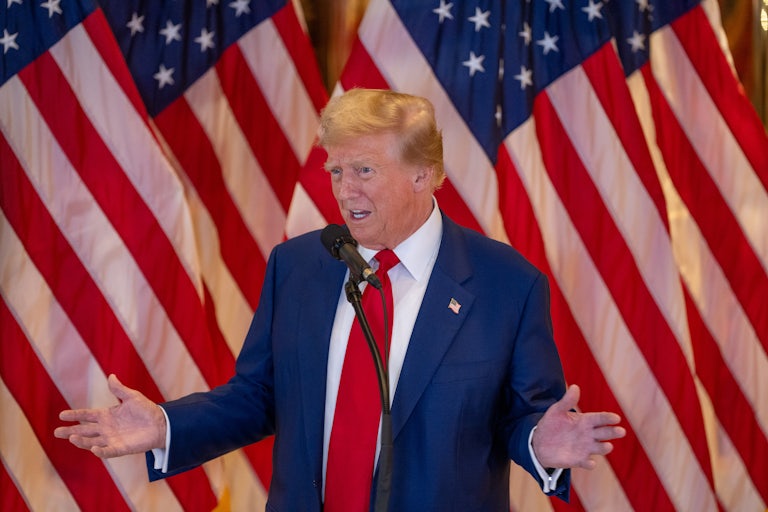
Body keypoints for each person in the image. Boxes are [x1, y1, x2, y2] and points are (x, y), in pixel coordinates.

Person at [55, 88, 625, 511]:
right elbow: (258, 397)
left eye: (365, 171)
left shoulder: (506, 284)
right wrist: (165, 427)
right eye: (336, 170)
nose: (344, 190)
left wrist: (538, 441)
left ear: (425, 175)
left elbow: (521, 415)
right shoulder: (299, 265)